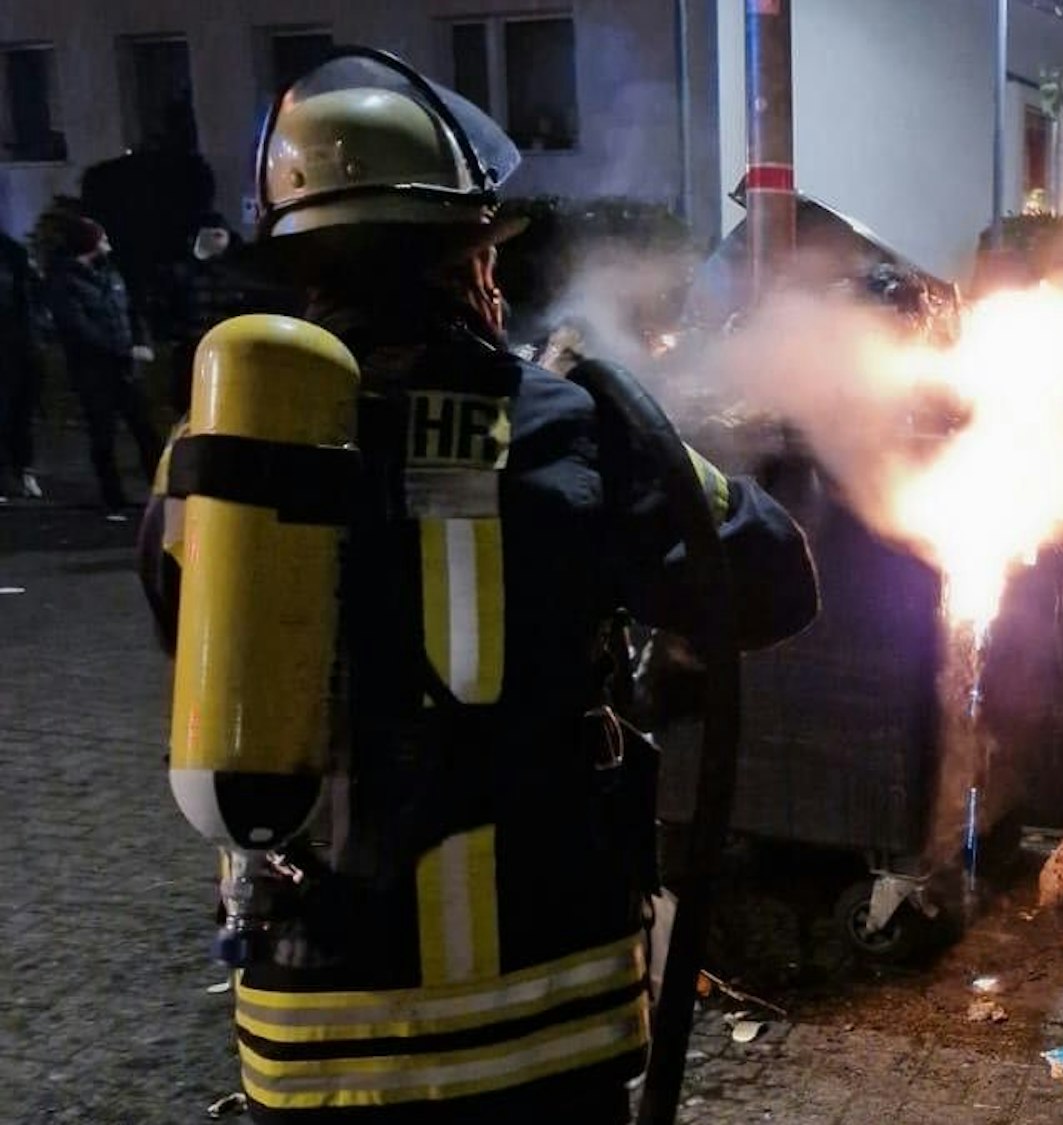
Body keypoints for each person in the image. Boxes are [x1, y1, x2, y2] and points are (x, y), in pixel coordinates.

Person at [139, 48, 818, 1124]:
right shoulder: (565, 424)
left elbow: (189, 629)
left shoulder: (217, 455)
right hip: (544, 1024)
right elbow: (773, 581)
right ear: (470, 263)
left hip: (314, 1032)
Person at [45, 213, 162, 515]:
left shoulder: (110, 274)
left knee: (146, 431)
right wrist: (125, 350)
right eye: (102, 238)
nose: (108, 243)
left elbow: (131, 312)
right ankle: (113, 499)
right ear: (89, 243)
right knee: (103, 436)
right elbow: (78, 329)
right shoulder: (66, 282)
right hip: (94, 374)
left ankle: (161, 492)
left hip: (125, 371)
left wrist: (142, 342)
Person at [158, 213, 299, 413]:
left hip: (229, 349)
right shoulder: (183, 271)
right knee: (189, 404)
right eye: (210, 236)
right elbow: (168, 306)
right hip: (191, 348)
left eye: (219, 235)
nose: (215, 241)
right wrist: (176, 334)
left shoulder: (241, 272)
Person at [0, 228, 41, 499]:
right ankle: (8, 474)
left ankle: (21, 469)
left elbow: (27, 298)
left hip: (18, 344)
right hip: (13, 342)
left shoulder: (12, 252)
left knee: (19, 412)